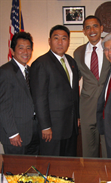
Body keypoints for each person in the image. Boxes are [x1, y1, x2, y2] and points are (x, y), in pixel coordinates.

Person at [30, 25, 79, 156]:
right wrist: (45, 126)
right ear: (49, 41)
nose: (60, 42)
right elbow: (39, 98)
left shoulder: (71, 61)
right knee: (52, 166)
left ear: (68, 42)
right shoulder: (41, 63)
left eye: (64, 38)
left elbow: (73, 93)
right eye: (56, 38)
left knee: (69, 165)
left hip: (71, 127)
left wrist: (77, 116)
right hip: (52, 129)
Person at [74, 15, 110, 158]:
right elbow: (73, 81)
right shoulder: (78, 52)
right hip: (86, 108)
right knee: (88, 151)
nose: (92, 30)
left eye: (95, 26)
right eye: (87, 27)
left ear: (101, 28)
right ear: (84, 31)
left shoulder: (110, 48)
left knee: (108, 150)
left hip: (108, 107)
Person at [0, 32, 39, 155]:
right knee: (16, 172)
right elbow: (3, 106)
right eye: (21, 48)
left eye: (28, 48)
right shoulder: (6, 71)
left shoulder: (30, 71)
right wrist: (12, 133)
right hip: (16, 134)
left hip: (33, 132)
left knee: (32, 171)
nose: (25, 52)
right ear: (12, 51)